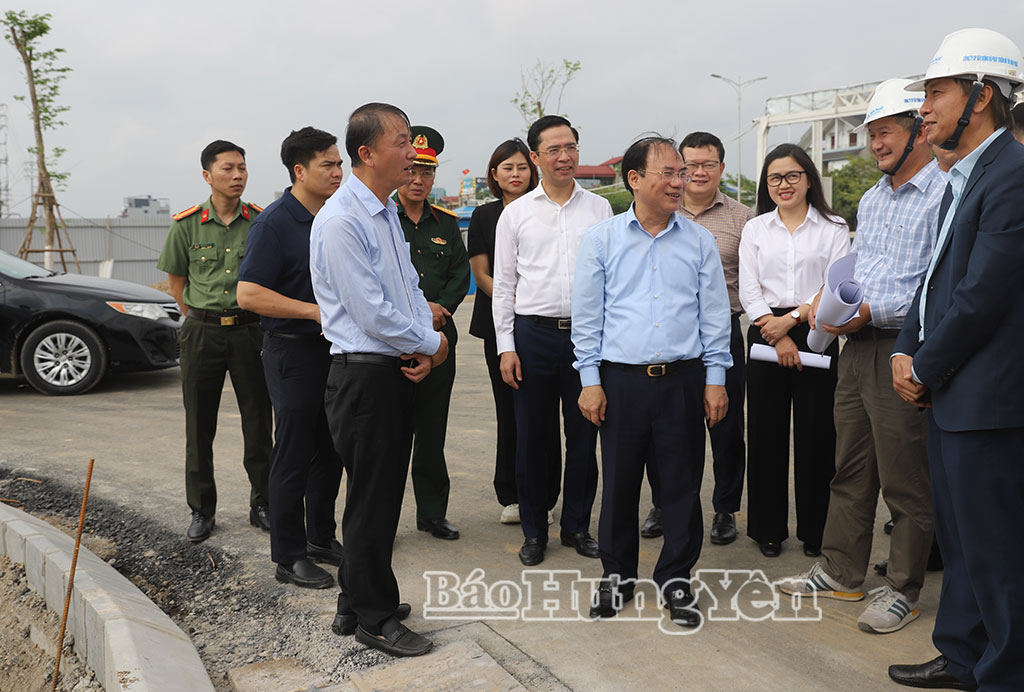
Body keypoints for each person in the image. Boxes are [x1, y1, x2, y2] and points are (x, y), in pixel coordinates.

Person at [777, 79, 944, 634]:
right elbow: (862, 268)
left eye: (885, 131)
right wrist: (833, 307)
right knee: (849, 466)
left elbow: (935, 283)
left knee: (905, 478)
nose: (876, 143)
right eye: (870, 134)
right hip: (855, 346)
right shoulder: (872, 199)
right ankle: (842, 571)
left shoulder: (945, 192)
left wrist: (874, 310)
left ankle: (902, 588)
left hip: (903, 347)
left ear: (918, 129)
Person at [888, 29, 1024, 692]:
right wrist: (904, 348)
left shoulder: (1014, 177)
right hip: (951, 396)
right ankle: (964, 656)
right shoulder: (963, 180)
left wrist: (924, 364)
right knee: (964, 543)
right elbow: (933, 278)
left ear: (984, 96)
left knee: (998, 552)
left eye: (938, 92)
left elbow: (983, 296)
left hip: (989, 401)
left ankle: (1004, 673)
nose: (926, 108)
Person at [573, 136, 732, 627]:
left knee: (681, 486)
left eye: (681, 172)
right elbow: (588, 317)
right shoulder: (602, 240)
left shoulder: (698, 240)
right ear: (635, 179)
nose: (679, 182)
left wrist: (715, 378)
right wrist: (589, 378)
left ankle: (677, 580)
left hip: (683, 381)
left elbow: (714, 316)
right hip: (621, 383)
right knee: (619, 484)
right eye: (667, 172)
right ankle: (616, 576)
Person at [310, 103, 448, 658]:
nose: (411, 152)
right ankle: (375, 616)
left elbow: (409, 290)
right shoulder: (342, 219)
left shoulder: (385, 212)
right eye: (400, 142)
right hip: (362, 377)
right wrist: (430, 343)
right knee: (373, 503)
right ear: (366, 153)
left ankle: (353, 602)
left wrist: (423, 345)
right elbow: (370, 313)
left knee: (378, 497)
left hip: (390, 369)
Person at [492, 115, 613, 566]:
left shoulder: (599, 209)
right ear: (536, 157)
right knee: (533, 438)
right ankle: (534, 530)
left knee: (585, 434)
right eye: (554, 149)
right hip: (532, 336)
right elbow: (504, 285)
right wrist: (507, 345)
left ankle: (577, 526)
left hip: (586, 337)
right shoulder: (516, 213)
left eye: (571, 147)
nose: (565, 157)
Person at [236, 127, 345, 589]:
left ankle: (322, 536)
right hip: (292, 350)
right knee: (295, 451)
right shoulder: (275, 222)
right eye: (329, 165)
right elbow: (248, 293)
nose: (339, 172)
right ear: (299, 171)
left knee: (331, 449)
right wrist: (313, 312)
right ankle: (289, 554)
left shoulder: (337, 215)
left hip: (335, 350)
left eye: (339, 164)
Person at [638, 131, 754, 544]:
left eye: (709, 164)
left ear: (722, 168)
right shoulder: (661, 211)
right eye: (690, 166)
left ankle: (725, 508)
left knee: (725, 426)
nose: (699, 173)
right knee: (664, 429)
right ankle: (662, 503)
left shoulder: (744, 218)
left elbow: (753, 281)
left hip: (724, 335)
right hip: (671, 338)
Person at [157, 140, 272, 543]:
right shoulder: (186, 225)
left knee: (259, 420)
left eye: (242, 168)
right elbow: (177, 285)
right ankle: (202, 510)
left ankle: (263, 503)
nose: (237, 175)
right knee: (198, 423)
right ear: (208, 175)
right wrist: (201, 317)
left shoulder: (259, 221)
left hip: (250, 330)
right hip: (202, 332)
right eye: (228, 169)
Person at [738, 143, 849, 558]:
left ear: (808, 178)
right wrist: (776, 331)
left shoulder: (833, 227)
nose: (783, 185)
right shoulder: (756, 229)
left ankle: (816, 530)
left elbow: (836, 283)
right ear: (767, 185)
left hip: (817, 330)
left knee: (818, 436)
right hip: (766, 332)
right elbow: (748, 287)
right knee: (765, 435)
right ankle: (767, 528)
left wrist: (796, 320)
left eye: (791, 176)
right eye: (774, 178)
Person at [467, 139, 560, 525]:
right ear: (494, 175)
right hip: (501, 325)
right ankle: (512, 494)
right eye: (507, 168)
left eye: (522, 167)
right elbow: (483, 275)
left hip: (544, 325)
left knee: (547, 416)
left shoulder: (546, 211)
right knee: (510, 412)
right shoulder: (485, 216)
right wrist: (518, 302)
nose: (516, 174)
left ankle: (547, 495)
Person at [395, 126, 470, 541]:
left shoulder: (446, 222)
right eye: (412, 171)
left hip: (440, 336)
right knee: (389, 432)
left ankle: (432, 512)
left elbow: (460, 275)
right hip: (394, 338)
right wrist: (419, 309)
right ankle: (383, 515)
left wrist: (440, 309)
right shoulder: (383, 219)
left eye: (427, 172)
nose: (419, 180)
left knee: (432, 428)